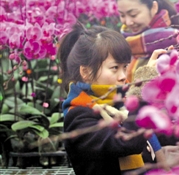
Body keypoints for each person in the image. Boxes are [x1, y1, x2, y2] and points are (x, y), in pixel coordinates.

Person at [58, 24, 163, 175]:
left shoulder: (118, 103)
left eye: (125, 67)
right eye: (115, 68)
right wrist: (141, 92)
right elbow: (126, 142)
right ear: (86, 72)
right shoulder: (79, 115)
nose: (123, 76)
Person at [114, 0, 179, 83]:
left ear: (154, 7)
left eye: (133, 14)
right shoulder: (121, 46)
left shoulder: (176, 43)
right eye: (122, 15)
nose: (128, 22)